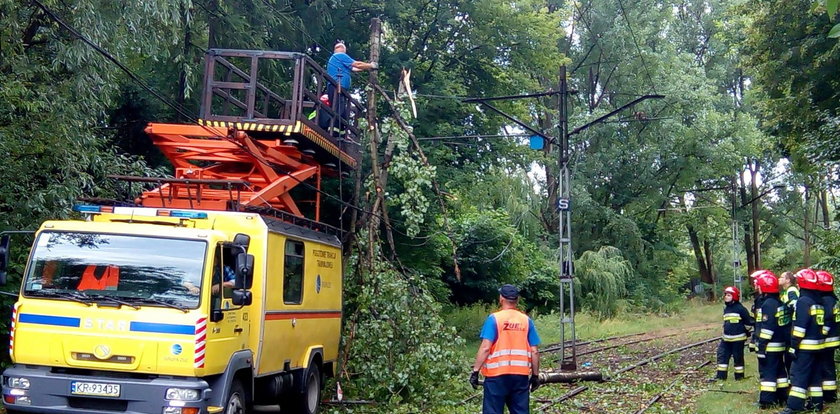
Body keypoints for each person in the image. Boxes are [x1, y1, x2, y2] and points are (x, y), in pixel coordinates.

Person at [470, 284, 541, 414]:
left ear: (501, 298)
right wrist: (535, 375)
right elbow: (534, 351)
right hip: (520, 376)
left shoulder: (494, 319)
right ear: (517, 300)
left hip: (496, 376)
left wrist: (475, 371)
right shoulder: (526, 320)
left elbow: (485, 347)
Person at [781, 269, 826, 414]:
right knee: (815, 376)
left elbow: (800, 327)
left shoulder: (802, 302)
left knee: (798, 375)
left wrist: (794, 346)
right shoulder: (817, 302)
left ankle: (794, 406)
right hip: (818, 346)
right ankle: (816, 404)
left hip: (805, 347)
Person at [754, 271, 790, 408]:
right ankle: (782, 397)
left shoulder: (768, 304)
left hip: (770, 345)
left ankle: (767, 402)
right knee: (780, 372)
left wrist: (761, 347)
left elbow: (767, 328)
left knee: (768, 373)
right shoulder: (778, 302)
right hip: (780, 344)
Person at [325, 42, 377, 135]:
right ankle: (334, 132)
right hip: (337, 87)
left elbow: (355, 68)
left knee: (342, 112)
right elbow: (357, 64)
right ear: (342, 49)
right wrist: (371, 65)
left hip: (336, 88)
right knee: (339, 111)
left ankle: (341, 133)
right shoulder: (340, 55)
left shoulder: (336, 60)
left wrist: (367, 67)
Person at [716, 285, 753, 381]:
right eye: (725, 295)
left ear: (734, 296)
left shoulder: (740, 309)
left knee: (738, 358)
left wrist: (744, 331)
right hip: (726, 339)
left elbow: (749, 322)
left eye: (728, 295)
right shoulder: (726, 308)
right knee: (722, 356)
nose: (726, 297)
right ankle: (720, 377)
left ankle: (739, 377)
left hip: (738, 339)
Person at [816, 270, 838, 403]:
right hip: (832, 338)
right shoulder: (832, 299)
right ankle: (830, 394)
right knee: (828, 365)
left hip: (827, 339)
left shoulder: (826, 300)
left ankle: (829, 395)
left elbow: (828, 319)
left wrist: (821, 334)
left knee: (826, 365)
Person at [779, 271, 799, 375]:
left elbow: (794, 306)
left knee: (789, 355)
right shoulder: (786, 291)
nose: (779, 278)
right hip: (788, 328)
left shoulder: (791, 291)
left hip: (791, 327)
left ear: (788, 280)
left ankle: (792, 378)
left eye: (782, 277)